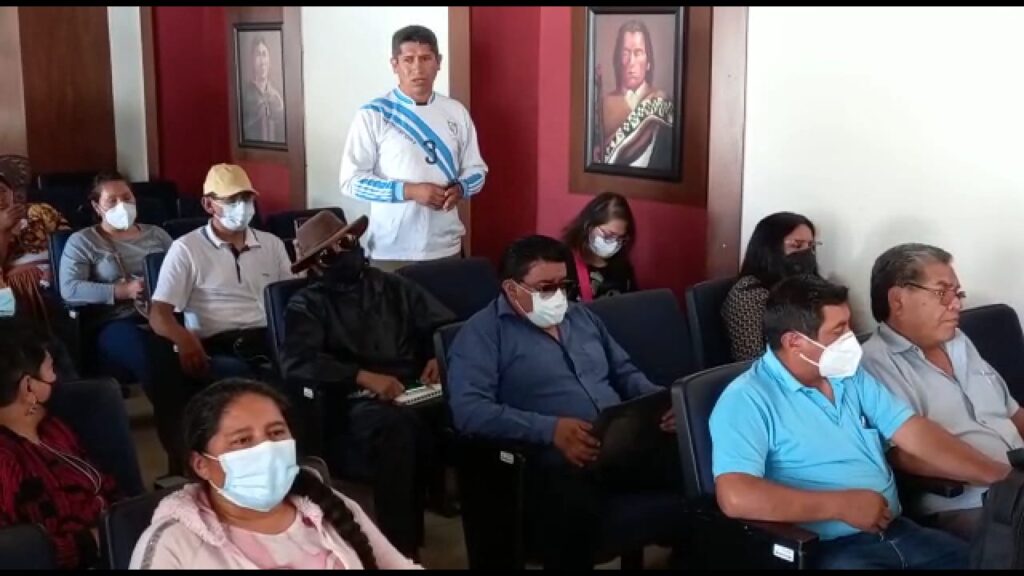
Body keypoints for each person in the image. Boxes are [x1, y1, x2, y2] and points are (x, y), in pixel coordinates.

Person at [710, 274, 1010, 570]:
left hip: (898, 532)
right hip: (828, 548)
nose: (851, 339)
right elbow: (735, 495)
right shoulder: (746, 399)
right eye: (838, 330)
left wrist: (1001, 476)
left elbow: (914, 432)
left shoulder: (848, 376)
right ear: (794, 341)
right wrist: (840, 506)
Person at [446, 234, 678, 568]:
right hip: (547, 456)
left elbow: (625, 372)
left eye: (563, 285)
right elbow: (469, 410)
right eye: (545, 288)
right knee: (568, 493)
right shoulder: (483, 334)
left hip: (617, 440)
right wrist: (550, 429)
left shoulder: (581, 317)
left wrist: (659, 401)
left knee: (695, 457)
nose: (557, 296)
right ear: (512, 288)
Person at [279, 210, 457, 558]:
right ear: (315, 264)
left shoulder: (393, 285)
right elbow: (297, 361)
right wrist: (359, 376)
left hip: (413, 383)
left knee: (469, 408)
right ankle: (400, 549)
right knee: (398, 429)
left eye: (347, 242)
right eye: (329, 252)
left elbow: (442, 325)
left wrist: (438, 355)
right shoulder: (308, 304)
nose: (343, 253)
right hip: (351, 399)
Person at [130, 378, 420, 569]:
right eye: (242, 440)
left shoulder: (328, 505)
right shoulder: (175, 544)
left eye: (276, 432)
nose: (266, 448)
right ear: (201, 464)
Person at [861, 243, 1024, 542]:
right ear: (898, 300)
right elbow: (906, 455)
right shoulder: (874, 363)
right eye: (942, 293)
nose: (956, 304)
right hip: (972, 502)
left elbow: (1013, 413)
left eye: (957, 293)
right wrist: (1007, 479)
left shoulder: (958, 341)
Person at [148, 164, 293, 469]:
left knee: (311, 374)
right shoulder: (186, 249)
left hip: (270, 338)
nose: (242, 207)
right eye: (231, 200)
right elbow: (159, 313)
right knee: (244, 383)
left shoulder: (272, 244)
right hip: (219, 344)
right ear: (208, 204)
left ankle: (298, 459)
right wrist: (184, 339)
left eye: (247, 198)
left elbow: (288, 299)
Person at [339, 25, 488, 272]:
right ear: (394, 64)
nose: (418, 68)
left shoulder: (456, 112)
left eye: (426, 58)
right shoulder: (374, 114)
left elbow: (477, 170)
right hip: (392, 249)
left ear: (438, 62)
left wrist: (461, 188)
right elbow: (351, 182)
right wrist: (408, 191)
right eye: (408, 59)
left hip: (445, 246)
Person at [0, 330, 121, 569]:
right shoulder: (6, 461)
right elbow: (14, 552)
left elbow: (107, 485)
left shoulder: (54, 429)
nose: (57, 379)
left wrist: (127, 519)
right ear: (29, 388)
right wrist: (94, 542)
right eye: (51, 369)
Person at [59, 171, 172, 396]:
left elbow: (182, 271)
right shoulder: (83, 241)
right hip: (117, 321)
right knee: (152, 357)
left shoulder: (157, 235)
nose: (122, 205)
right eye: (112, 201)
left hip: (165, 313)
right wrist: (123, 291)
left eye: (127, 198)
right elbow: (70, 289)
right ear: (97, 206)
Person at [721, 211, 819, 362]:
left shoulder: (805, 286)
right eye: (797, 245)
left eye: (810, 246)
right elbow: (750, 358)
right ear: (770, 248)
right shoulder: (749, 294)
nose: (806, 253)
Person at [593, 19, 674, 170]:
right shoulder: (603, 105)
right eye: (625, 53)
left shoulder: (661, 101)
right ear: (618, 60)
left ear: (648, 62)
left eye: (638, 53)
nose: (631, 61)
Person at [0, 172, 70, 323]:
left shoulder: (39, 210)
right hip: (19, 281)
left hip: (58, 267)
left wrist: (55, 268)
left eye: (2, 190)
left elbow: (68, 241)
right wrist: (3, 230)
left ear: (12, 192)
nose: (0, 197)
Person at [561, 191, 637, 302]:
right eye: (608, 235)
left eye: (620, 238)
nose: (614, 243)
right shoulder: (564, 262)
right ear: (588, 226)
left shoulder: (623, 267)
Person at [242, 35, 285, 144]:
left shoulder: (277, 96)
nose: (262, 62)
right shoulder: (245, 95)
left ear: (269, 60)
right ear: (252, 60)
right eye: (258, 55)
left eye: (264, 54)